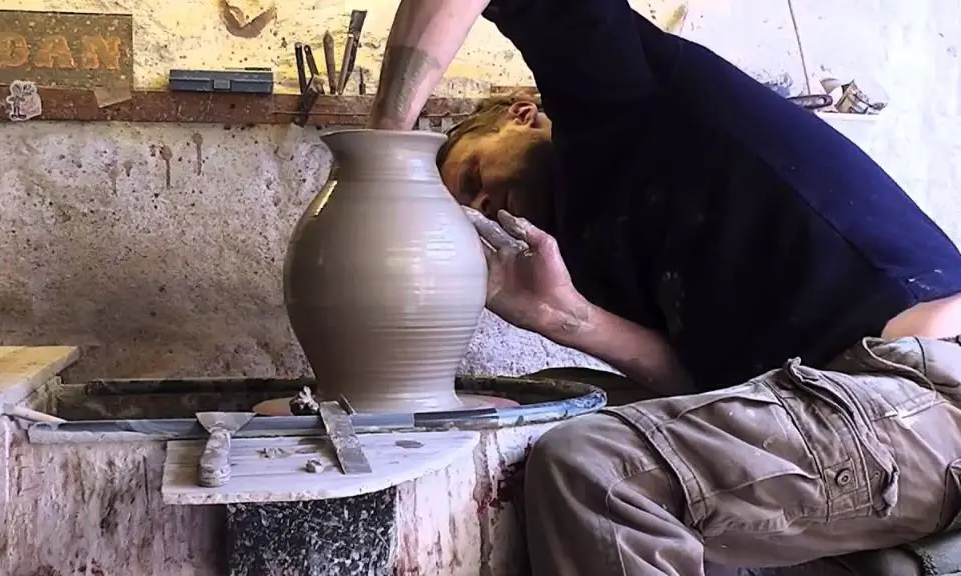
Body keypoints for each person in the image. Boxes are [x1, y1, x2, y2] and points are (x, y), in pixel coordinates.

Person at [366, 1, 961, 575]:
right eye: (470, 209)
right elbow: (707, 392)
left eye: (472, 176)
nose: (482, 204)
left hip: (917, 392)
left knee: (594, 471)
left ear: (520, 115)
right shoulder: (591, 251)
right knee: (543, 413)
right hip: (832, 409)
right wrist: (561, 316)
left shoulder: (616, 96)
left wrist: (385, 148)